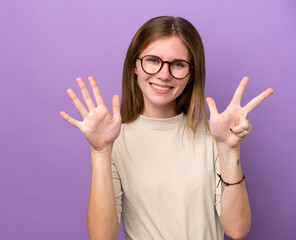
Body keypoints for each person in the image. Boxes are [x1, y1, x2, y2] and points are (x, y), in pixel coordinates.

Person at [60, 16, 273, 240]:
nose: (163, 74)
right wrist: (101, 152)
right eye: (152, 60)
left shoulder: (215, 136)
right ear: (135, 65)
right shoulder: (113, 140)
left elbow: (237, 229)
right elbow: (102, 237)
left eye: (178, 64)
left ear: (191, 75)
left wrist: (229, 150)